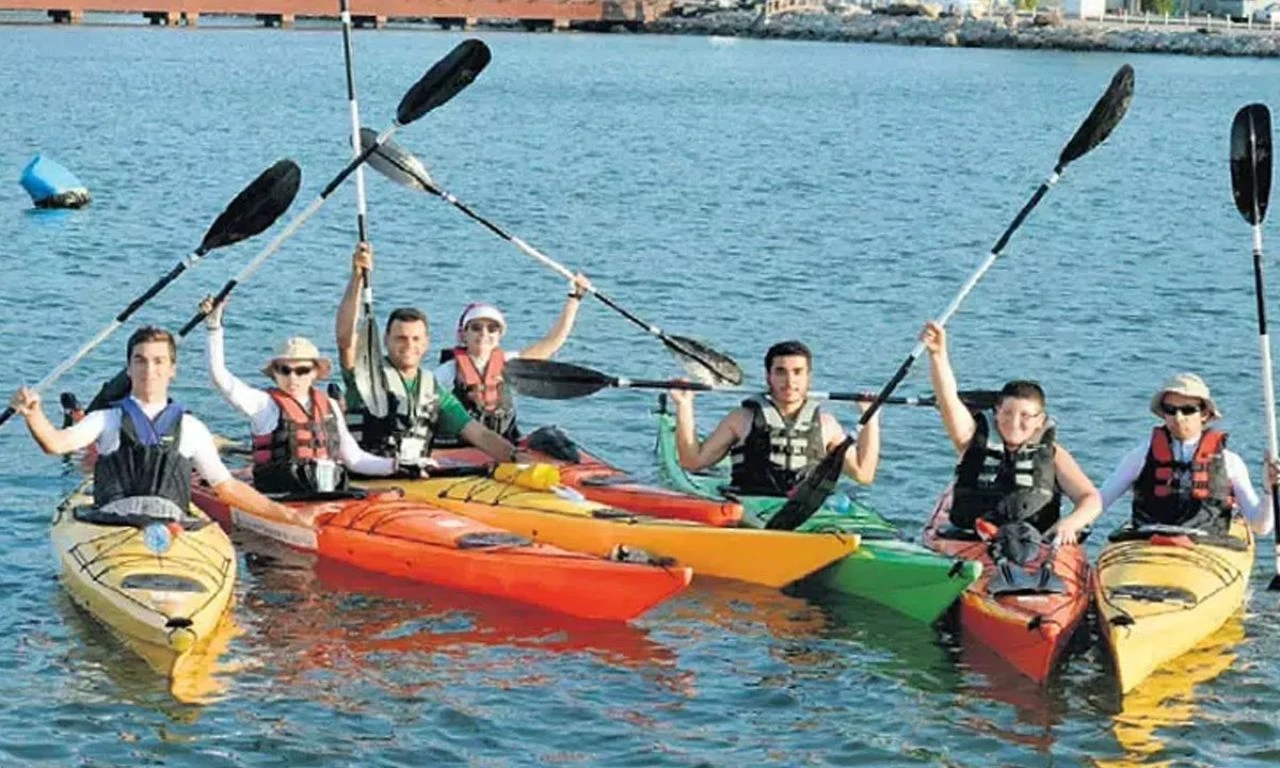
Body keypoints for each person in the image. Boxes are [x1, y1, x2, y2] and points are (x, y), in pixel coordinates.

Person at [8, 325, 305, 526]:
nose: (149, 369)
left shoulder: (191, 428)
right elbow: (55, 444)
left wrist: (286, 516)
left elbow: (226, 487)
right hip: (112, 525)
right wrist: (34, 414)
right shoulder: (106, 420)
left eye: (159, 361)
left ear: (172, 370)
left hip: (171, 527)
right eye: (140, 361)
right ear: (128, 368)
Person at [335, 241, 520, 469]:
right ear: (385, 340)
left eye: (415, 339)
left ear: (426, 344)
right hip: (369, 475)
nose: (408, 346)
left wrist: (518, 459)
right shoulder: (365, 374)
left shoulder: (432, 390)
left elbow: (479, 435)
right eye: (400, 338)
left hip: (415, 477)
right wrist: (357, 279)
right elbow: (345, 340)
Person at [919, 321, 1102, 547]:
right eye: (1007, 413)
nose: (1014, 423)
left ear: (1040, 421)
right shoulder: (970, 439)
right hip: (971, 541)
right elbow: (948, 399)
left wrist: (1070, 523)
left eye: (1025, 416)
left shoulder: (1054, 455)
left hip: (1033, 544)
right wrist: (938, 355)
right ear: (995, 414)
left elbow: (1091, 499)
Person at [200, 296, 402, 496]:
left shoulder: (330, 406)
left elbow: (354, 459)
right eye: (284, 370)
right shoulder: (264, 405)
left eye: (302, 370)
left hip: (327, 494)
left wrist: (396, 465)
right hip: (280, 498)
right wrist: (213, 327)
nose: (293, 378)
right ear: (275, 373)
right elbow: (219, 377)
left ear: (315, 372)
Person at [669, 340, 881, 498]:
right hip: (750, 504)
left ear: (809, 377)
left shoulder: (827, 425)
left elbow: (864, 474)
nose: (789, 381)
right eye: (780, 372)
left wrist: (871, 417)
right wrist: (684, 405)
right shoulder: (742, 419)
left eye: (798, 372)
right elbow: (692, 462)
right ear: (768, 376)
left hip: (804, 510)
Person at [1098, 373, 1277, 537]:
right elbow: (1100, 501)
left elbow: (1260, 527)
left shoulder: (1230, 462)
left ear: (1205, 414)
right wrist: (1075, 525)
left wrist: (1269, 490)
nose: (1178, 417)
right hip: (1148, 543)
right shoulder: (1140, 456)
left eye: (1188, 410)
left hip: (1206, 548)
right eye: (1170, 409)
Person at [433, 274, 593, 446]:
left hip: (504, 445)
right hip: (458, 447)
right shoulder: (448, 372)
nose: (484, 334)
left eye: (492, 329)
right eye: (476, 328)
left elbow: (552, 342)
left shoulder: (510, 363)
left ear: (499, 336)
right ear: (463, 335)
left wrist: (574, 299)